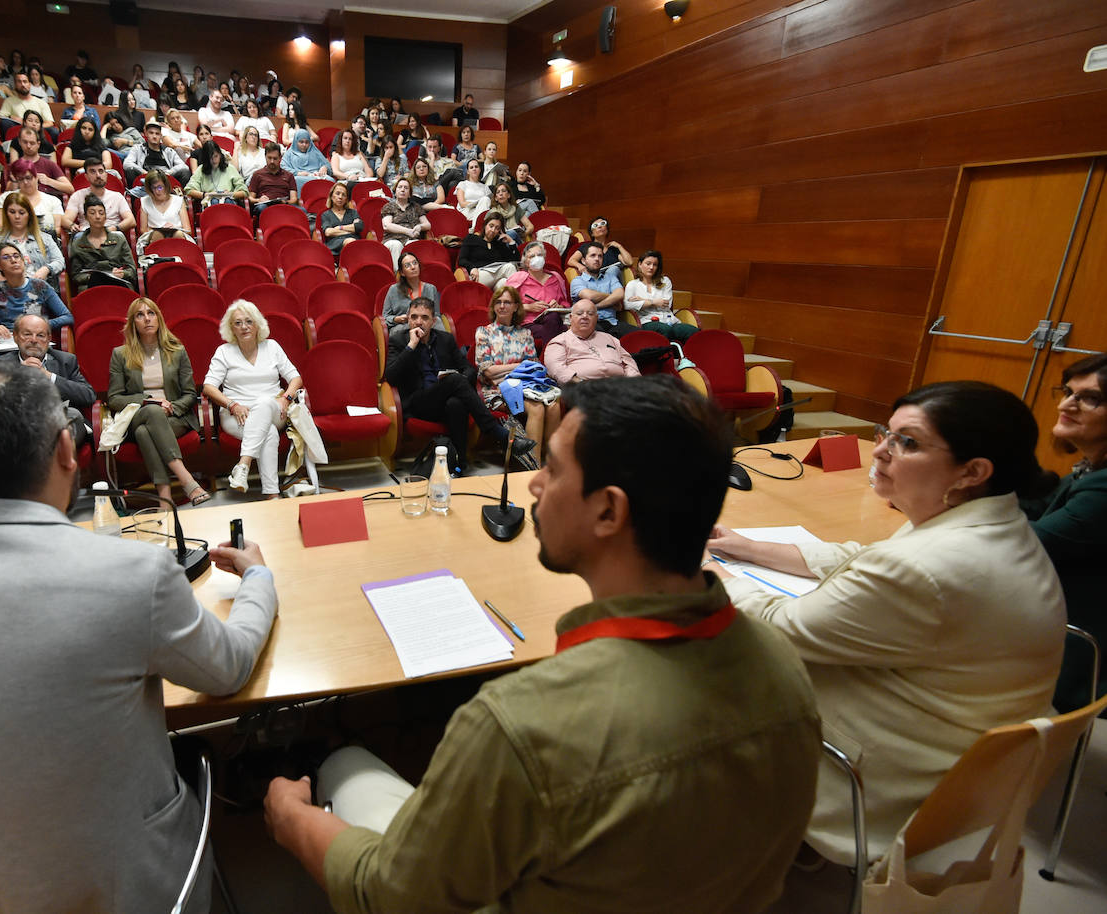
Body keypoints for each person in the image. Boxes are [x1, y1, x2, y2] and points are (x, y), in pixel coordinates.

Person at [265, 375, 821, 913]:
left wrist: (293, 820)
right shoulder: (786, 674)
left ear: (609, 510)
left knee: (346, 767)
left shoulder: (517, 724)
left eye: (552, 469)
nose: (533, 483)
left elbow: (385, 896)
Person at [0, 358, 275, 913]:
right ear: (67, 451)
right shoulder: (131, 574)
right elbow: (227, 668)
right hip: (111, 891)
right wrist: (257, 578)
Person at [708, 381, 1065, 865]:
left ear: (972, 471)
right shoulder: (985, 522)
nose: (879, 451)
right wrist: (746, 547)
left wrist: (708, 570)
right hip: (962, 752)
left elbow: (779, 627)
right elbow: (860, 556)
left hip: (894, 775)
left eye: (908, 443)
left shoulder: (928, 564)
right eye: (887, 434)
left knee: (700, 670)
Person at [1023, 353, 1107, 711]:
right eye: (1069, 391)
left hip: (1075, 657)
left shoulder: (1103, 491)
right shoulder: (1090, 471)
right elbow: (1037, 509)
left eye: (1089, 397)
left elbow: (1027, 545)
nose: (1067, 404)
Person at [384, 298, 533, 473]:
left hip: (445, 400)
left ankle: (459, 465)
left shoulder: (445, 339)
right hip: (418, 403)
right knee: (454, 381)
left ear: (433, 321)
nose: (418, 322)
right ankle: (497, 432)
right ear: (408, 318)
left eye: (424, 317)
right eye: (414, 317)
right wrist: (411, 346)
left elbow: (468, 369)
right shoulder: (399, 341)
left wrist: (459, 378)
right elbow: (390, 377)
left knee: (456, 402)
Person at [108, 298, 211, 505]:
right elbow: (114, 398)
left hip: (175, 417)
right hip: (138, 414)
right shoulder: (120, 355)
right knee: (152, 414)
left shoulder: (177, 351)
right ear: (133, 322)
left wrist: (172, 408)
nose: (147, 319)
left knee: (143, 433)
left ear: (158, 318)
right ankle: (187, 481)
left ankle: (164, 498)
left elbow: (190, 394)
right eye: (140, 315)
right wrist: (149, 402)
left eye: (151, 313)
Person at [202, 300, 308, 499]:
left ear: (258, 324)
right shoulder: (224, 352)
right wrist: (232, 405)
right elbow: (209, 387)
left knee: (265, 402)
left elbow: (296, 378)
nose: (244, 327)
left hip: (275, 409)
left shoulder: (272, 347)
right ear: (231, 328)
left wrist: (286, 398)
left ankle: (243, 464)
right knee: (268, 432)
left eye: (249, 321)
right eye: (238, 323)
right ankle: (272, 494)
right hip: (237, 415)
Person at [475, 285, 560, 463]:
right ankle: (532, 463)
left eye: (507, 302)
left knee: (554, 406)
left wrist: (507, 369)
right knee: (536, 408)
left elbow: (534, 366)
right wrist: (520, 366)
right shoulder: (484, 332)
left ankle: (549, 458)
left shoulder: (525, 333)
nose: (502, 306)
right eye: (498, 302)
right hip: (496, 391)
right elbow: (488, 371)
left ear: (516, 307)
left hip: (526, 387)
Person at [0, 242, 72, 347]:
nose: (13, 260)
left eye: (16, 256)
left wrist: (41, 325)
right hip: (7, 340)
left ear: (23, 260)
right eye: (6, 257)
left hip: (36, 339)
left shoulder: (40, 286)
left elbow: (67, 317)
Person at [544, 300, 641, 384]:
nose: (585, 317)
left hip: (620, 385)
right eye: (579, 313)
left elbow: (629, 363)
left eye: (590, 314)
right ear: (570, 318)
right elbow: (556, 368)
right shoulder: (559, 341)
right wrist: (580, 383)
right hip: (585, 389)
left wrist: (633, 382)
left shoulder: (610, 338)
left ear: (596, 318)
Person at [0, 193, 63, 287]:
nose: (17, 217)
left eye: (21, 212)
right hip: (7, 289)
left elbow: (59, 260)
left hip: (39, 289)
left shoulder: (44, 238)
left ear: (29, 214)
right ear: (6, 214)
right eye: (12, 212)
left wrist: (46, 269)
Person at [505, 241, 571, 345]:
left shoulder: (556, 278)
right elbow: (504, 304)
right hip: (527, 323)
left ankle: (547, 357)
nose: (536, 258)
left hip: (552, 320)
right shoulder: (518, 278)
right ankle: (551, 356)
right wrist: (528, 307)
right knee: (560, 330)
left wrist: (558, 306)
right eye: (532, 256)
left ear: (544, 258)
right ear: (526, 262)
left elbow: (565, 305)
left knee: (553, 316)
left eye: (539, 255)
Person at [624, 249, 695, 343]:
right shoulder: (632, 284)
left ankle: (687, 356)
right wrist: (655, 302)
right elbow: (627, 305)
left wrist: (644, 300)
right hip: (647, 321)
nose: (651, 267)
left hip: (669, 320)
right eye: (648, 264)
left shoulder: (665, 281)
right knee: (664, 330)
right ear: (640, 264)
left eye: (655, 264)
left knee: (693, 331)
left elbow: (667, 304)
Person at [69, 197, 136, 295]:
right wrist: (91, 277)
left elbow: (131, 269)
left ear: (105, 217)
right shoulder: (78, 243)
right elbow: (76, 275)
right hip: (90, 285)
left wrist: (123, 274)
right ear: (86, 217)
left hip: (117, 281)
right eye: (92, 213)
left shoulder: (119, 239)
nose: (97, 216)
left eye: (101, 213)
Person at [570, 241, 631, 338]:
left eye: (600, 256)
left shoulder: (610, 278)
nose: (597, 259)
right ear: (583, 260)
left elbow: (619, 294)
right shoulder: (578, 281)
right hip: (590, 325)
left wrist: (594, 306)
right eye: (592, 256)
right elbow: (590, 296)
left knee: (642, 336)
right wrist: (612, 299)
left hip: (613, 323)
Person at [63, 159, 135, 234]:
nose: (98, 175)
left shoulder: (117, 196)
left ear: (106, 175)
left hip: (112, 233)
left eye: (101, 171)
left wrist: (114, 228)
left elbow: (131, 220)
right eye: (93, 172)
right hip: (86, 234)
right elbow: (65, 220)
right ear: (86, 176)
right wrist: (72, 225)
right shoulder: (78, 195)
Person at [379, 252, 439, 332]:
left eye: (415, 263)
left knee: (439, 324)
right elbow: (384, 318)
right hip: (403, 329)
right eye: (407, 265)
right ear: (402, 273)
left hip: (427, 329)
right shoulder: (393, 290)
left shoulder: (431, 289)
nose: (413, 267)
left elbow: (436, 316)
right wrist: (397, 319)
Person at [457, 213, 519, 288]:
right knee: (509, 267)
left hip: (495, 279)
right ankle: (522, 298)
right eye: (491, 226)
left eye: (497, 228)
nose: (493, 230)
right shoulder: (471, 238)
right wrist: (472, 268)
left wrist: (511, 242)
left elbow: (515, 261)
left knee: (504, 283)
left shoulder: (499, 244)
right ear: (485, 225)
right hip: (479, 275)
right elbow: (461, 259)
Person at [378, 177, 430, 267]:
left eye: (406, 188)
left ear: (409, 193)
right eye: (400, 187)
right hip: (392, 239)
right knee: (396, 245)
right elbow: (387, 226)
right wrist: (408, 231)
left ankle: (413, 274)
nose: (402, 190)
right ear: (395, 191)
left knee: (413, 244)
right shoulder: (389, 206)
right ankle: (398, 275)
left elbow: (427, 224)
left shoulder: (416, 207)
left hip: (411, 239)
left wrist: (420, 227)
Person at [6, 127, 70, 197]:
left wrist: (49, 181)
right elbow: (7, 193)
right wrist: (15, 182)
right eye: (25, 142)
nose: (28, 146)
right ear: (20, 142)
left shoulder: (49, 164)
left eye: (32, 143)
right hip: (22, 200)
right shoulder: (16, 165)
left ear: (38, 144)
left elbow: (69, 188)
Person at [124, 120, 192, 186]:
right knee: (130, 170)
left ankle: (179, 195)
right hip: (145, 179)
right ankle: (133, 196)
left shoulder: (168, 151)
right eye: (151, 133)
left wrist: (169, 173)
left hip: (165, 179)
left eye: (157, 134)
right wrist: (143, 172)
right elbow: (127, 164)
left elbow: (183, 166)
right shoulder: (137, 148)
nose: (154, 136)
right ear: (146, 134)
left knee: (185, 172)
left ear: (161, 136)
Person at [139, 169, 192, 247]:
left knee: (178, 234)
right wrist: (156, 230)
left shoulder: (178, 200)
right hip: (153, 236)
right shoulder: (145, 201)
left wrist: (174, 228)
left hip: (177, 233)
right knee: (157, 235)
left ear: (166, 186)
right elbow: (143, 230)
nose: (157, 191)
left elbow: (188, 229)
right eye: (154, 188)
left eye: (160, 187)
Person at [247, 143, 298, 216]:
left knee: (302, 210)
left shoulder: (289, 175)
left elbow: (294, 199)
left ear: (280, 158)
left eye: (275, 158)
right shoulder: (257, 174)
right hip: (265, 205)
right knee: (262, 208)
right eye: (269, 158)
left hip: (284, 205)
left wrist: (286, 202)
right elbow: (251, 198)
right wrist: (259, 200)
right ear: (265, 157)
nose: (272, 161)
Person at [567, 216, 633, 272]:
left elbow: (629, 262)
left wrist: (619, 246)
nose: (600, 227)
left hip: (612, 282)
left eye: (602, 224)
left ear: (607, 229)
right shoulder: (587, 246)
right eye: (595, 226)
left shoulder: (613, 248)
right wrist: (580, 266)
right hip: (594, 279)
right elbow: (571, 260)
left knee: (613, 270)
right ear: (592, 233)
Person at [319, 181, 362, 258]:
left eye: (344, 195)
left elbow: (359, 226)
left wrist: (340, 228)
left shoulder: (353, 212)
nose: (340, 197)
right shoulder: (326, 214)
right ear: (332, 196)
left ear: (346, 199)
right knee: (351, 241)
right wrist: (350, 230)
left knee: (353, 242)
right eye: (337, 193)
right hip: (335, 243)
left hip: (354, 240)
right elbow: (328, 232)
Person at [486, 181, 533, 245]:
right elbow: (485, 231)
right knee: (510, 234)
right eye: (498, 192)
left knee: (513, 234)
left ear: (508, 195)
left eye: (503, 191)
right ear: (496, 198)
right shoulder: (492, 212)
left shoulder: (516, 209)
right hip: (498, 241)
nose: (501, 194)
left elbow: (530, 226)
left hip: (515, 239)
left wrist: (523, 234)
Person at [453, 158, 492, 227]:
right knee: (484, 200)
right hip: (466, 211)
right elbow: (462, 203)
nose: (474, 169)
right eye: (471, 167)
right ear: (468, 171)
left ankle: (474, 228)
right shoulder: (462, 184)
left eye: (476, 167)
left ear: (480, 170)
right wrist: (478, 203)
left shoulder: (485, 186)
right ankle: (476, 228)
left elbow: (489, 203)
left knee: (486, 201)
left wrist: (480, 204)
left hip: (481, 210)